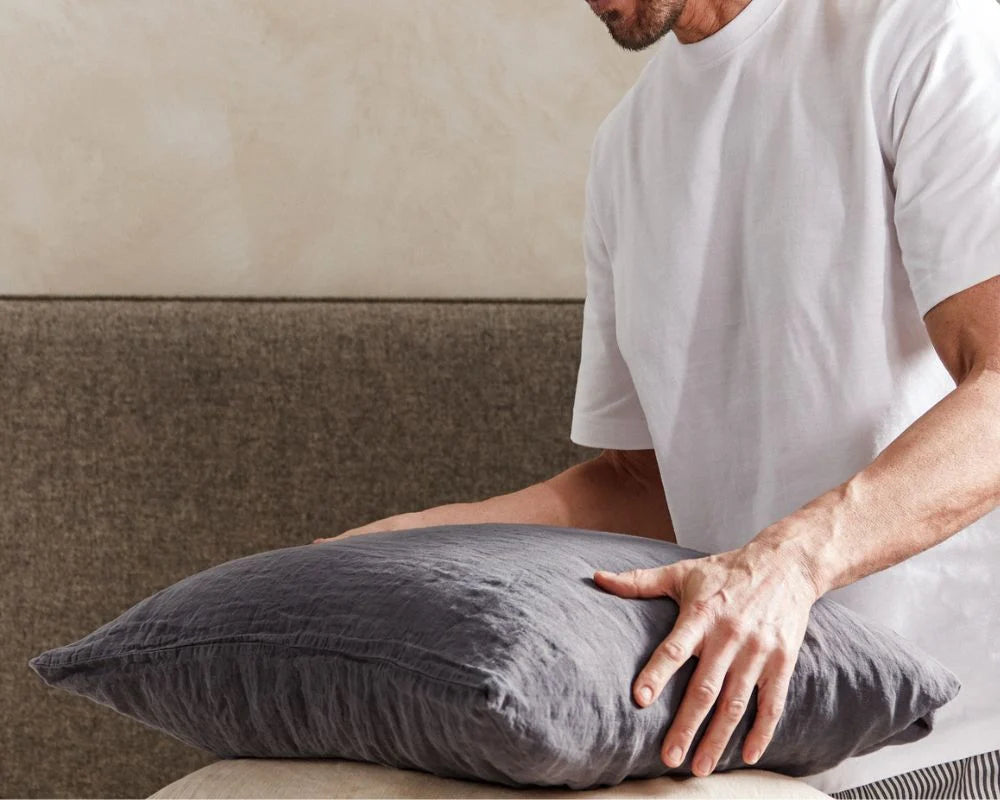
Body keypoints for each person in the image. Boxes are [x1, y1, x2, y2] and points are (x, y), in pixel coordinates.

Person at [313, 0, 1000, 795]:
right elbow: (642, 488)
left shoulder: (923, 33)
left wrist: (790, 561)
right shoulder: (626, 147)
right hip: (753, 743)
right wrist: (393, 546)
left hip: (962, 731)